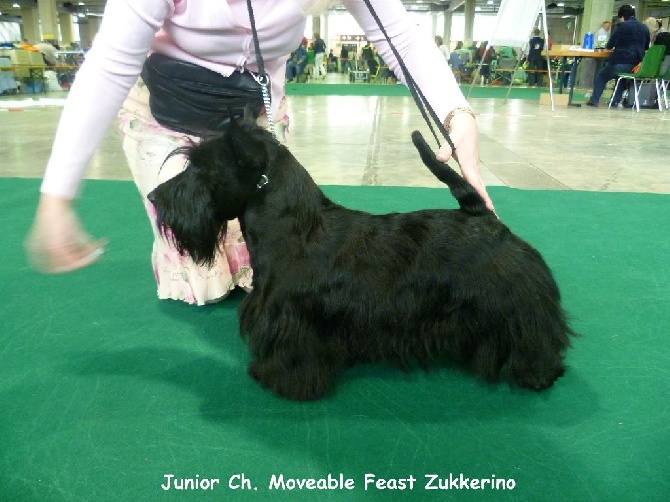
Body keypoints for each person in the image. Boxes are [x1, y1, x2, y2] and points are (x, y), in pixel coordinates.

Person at [25, 0, 494, 306]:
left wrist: (458, 116)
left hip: (256, 106)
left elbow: (403, 38)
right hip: (165, 111)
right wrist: (56, 196)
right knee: (205, 280)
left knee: (275, 261)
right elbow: (108, 67)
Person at [586, 4, 649, 107]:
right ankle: (614, 101)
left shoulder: (622, 26)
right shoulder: (644, 28)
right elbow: (646, 47)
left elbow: (610, 45)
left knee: (602, 75)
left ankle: (594, 100)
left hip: (621, 61)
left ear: (622, 16)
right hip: (636, 66)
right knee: (621, 77)